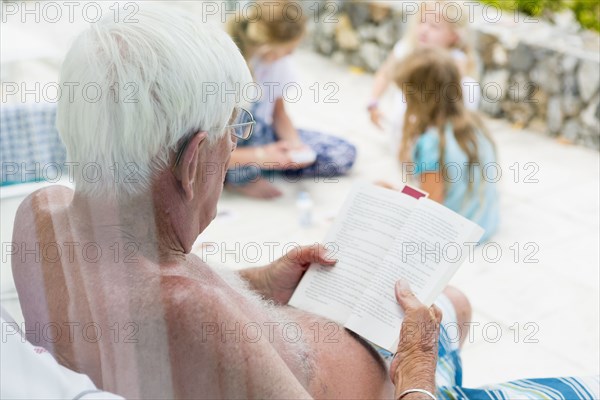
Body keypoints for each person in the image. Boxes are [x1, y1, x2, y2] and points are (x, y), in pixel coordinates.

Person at [10, 5, 599, 400]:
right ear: (193, 163)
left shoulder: (41, 215)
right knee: (555, 373)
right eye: (235, 133)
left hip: (314, 342)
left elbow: (137, 300)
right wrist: (415, 374)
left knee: (454, 304)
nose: (238, 142)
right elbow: (176, 311)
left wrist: (259, 281)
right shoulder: (188, 311)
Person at [225, 0, 357, 199]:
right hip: (227, 147)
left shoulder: (278, 64)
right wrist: (261, 156)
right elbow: (206, 147)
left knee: (343, 153)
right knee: (247, 117)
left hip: (262, 138)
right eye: (289, 48)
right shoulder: (228, 68)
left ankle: (269, 162)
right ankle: (241, 176)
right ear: (268, 44)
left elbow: (279, 113)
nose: (292, 54)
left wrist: (295, 146)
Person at [391, 48, 499, 242]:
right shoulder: (473, 122)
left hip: (455, 233)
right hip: (484, 221)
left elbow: (432, 207)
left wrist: (394, 196)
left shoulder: (431, 144)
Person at [368, 0, 480, 152]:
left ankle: (445, 148)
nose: (424, 30)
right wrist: (373, 103)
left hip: (435, 132)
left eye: (434, 26)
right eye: (422, 21)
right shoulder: (407, 49)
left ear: (454, 36)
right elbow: (384, 74)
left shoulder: (456, 61)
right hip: (404, 130)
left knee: (469, 86)